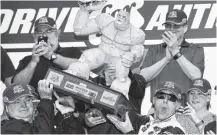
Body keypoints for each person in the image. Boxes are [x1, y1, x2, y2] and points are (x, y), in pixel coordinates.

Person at [72, 0, 145, 98]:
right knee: (87, 57)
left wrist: (133, 55)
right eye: (119, 15)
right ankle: (74, 80)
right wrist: (84, 9)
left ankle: (119, 98)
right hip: (101, 55)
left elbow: (138, 49)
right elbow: (79, 30)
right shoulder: (105, 21)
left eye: (124, 17)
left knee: (122, 75)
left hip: (118, 60)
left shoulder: (136, 34)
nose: (120, 18)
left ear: (128, 19)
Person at [140, 9, 204, 99]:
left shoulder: (196, 50)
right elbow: (143, 77)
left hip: (184, 107)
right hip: (158, 105)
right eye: (168, 25)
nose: (172, 29)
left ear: (185, 28)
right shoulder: (154, 49)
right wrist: (165, 60)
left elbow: (196, 76)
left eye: (176, 26)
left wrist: (176, 53)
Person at [12, 16, 82, 91]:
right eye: (39, 32)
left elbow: (82, 70)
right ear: (34, 36)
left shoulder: (72, 52)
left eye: (49, 31)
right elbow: (16, 87)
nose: (44, 35)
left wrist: (51, 56)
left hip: (67, 101)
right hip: (38, 101)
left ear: (57, 33)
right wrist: (33, 62)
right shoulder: (27, 60)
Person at [107, 81, 185, 134]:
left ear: (177, 105)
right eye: (161, 96)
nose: (165, 101)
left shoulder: (176, 130)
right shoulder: (145, 120)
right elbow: (123, 108)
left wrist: (129, 132)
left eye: (171, 98)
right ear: (154, 100)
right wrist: (108, 84)